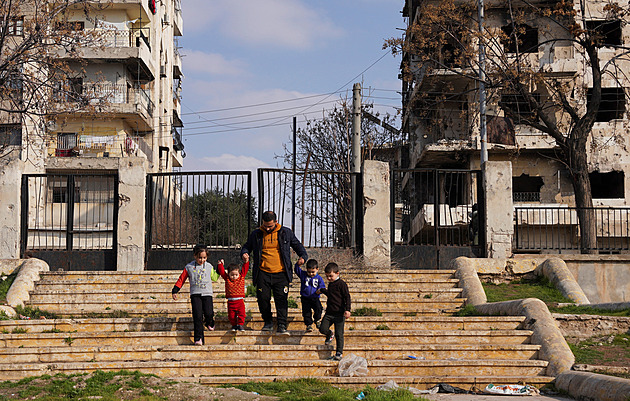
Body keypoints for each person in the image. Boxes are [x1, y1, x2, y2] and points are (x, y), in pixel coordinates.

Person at [240, 210, 308, 335]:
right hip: (263, 272)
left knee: (281, 299)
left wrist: (303, 256)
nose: (267, 228)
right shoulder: (256, 234)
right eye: (265, 225)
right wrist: (244, 253)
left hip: (281, 273)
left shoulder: (285, 232)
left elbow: (297, 245)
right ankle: (268, 322)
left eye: (270, 226)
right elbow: (246, 246)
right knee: (262, 298)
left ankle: (282, 325)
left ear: (276, 222)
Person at [172, 244, 219, 345]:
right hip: (195, 295)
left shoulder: (209, 266)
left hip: (207, 294)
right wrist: (175, 290)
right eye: (200, 257)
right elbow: (182, 279)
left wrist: (219, 268)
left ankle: (210, 322)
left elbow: (214, 278)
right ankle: (198, 339)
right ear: (195, 256)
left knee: (209, 312)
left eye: (204, 258)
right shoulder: (189, 267)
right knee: (197, 316)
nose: (202, 260)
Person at [317, 262, 351, 361]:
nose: (329, 278)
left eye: (331, 276)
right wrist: (322, 290)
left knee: (339, 334)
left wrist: (347, 310)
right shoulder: (331, 284)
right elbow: (331, 295)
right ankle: (329, 334)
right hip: (329, 313)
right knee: (322, 328)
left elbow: (347, 297)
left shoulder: (342, 284)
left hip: (339, 314)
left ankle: (339, 352)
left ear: (337, 273)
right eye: (327, 276)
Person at [217, 257, 250, 332]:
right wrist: (220, 265)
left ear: (239, 273)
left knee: (242, 314)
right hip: (231, 302)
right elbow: (222, 272)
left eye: (236, 274)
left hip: (240, 301)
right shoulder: (227, 279)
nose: (234, 276)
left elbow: (245, 269)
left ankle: (240, 325)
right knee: (231, 316)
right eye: (232, 275)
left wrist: (246, 262)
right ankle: (234, 325)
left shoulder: (241, 277)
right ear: (228, 274)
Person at [294, 259, 325, 332]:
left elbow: (322, 287)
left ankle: (317, 320)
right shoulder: (303, 275)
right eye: (309, 272)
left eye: (313, 272)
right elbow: (296, 269)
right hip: (305, 298)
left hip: (315, 298)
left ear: (317, 269)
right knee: (306, 312)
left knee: (318, 309)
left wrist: (320, 290)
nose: (311, 274)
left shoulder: (319, 278)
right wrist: (298, 264)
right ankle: (309, 324)